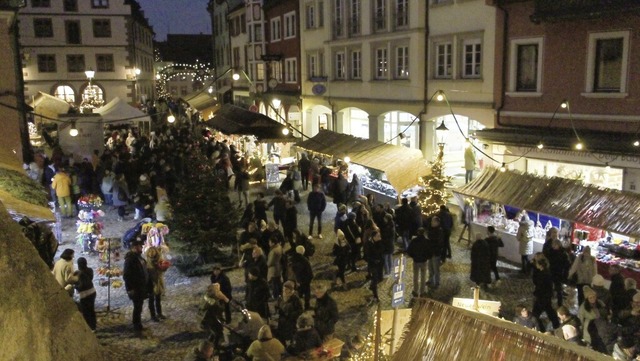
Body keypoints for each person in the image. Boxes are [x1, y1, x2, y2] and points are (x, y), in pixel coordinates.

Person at [123, 239, 149, 333]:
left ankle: (138, 324)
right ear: (134, 248)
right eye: (140, 246)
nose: (141, 248)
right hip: (136, 288)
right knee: (137, 307)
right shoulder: (130, 259)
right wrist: (130, 289)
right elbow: (126, 275)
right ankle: (136, 325)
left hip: (141, 287)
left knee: (139, 306)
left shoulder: (139, 257)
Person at [531, 254, 560, 331]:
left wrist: (536, 294)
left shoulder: (542, 274)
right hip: (546, 296)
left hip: (542, 296)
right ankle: (556, 324)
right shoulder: (546, 272)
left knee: (535, 314)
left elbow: (539, 285)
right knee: (549, 310)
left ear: (540, 265)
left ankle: (541, 328)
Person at [276, 280, 304, 345]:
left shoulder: (295, 299)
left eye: (286, 289)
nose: (284, 290)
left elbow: (300, 310)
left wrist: (291, 315)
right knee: (281, 336)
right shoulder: (281, 297)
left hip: (291, 322)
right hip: (282, 321)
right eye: (283, 288)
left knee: (290, 336)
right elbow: (278, 305)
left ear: (290, 290)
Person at [74, 256, 96, 331]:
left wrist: (75, 286)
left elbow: (81, 286)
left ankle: (89, 328)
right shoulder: (90, 270)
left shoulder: (79, 273)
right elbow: (90, 278)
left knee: (86, 312)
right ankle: (93, 326)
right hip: (92, 291)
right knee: (91, 310)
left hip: (84, 294)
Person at [146, 246, 167, 322]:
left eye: (153, 252)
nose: (152, 254)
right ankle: (153, 315)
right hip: (151, 283)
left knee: (158, 298)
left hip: (157, 282)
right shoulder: (147, 262)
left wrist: (163, 267)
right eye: (150, 252)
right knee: (151, 300)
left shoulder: (158, 261)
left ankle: (159, 313)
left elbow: (160, 270)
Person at [290, 245, 314, 309]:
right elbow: (310, 272)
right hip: (305, 280)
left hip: (297, 280)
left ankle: (296, 306)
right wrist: (309, 279)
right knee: (307, 293)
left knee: (298, 293)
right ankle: (307, 306)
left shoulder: (292, 259)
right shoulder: (305, 260)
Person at [407, 228, 429, 297]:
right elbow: (430, 252)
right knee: (423, 277)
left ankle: (415, 291)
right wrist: (426, 257)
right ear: (424, 233)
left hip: (416, 261)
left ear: (417, 233)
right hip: (423, 261)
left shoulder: (414, 241)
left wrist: (413, 256)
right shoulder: (427, 241)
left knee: (415, 276)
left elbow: (409, 251)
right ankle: (422, 292)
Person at [364, 230, 384, 302]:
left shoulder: (379, 242)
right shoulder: (368, 244)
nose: (380, 237)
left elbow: (382, 251)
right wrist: (374, 261)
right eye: (378, 236)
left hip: (380, 264)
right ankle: (375, 296)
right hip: (373, 265)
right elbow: (366, 256)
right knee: (375, 279)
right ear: (373, 237)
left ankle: (372, 287)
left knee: (380, 278)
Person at [426, 216, 443, 289]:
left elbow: (438, 243)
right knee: (430, 268)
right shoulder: (431, 229)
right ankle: (430, 280)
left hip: (436, 253)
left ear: (437, 222)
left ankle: (437, 283)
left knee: (436, 269)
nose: (431, 222)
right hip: (430, 252)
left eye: (433, 221)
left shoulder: (439, 231)